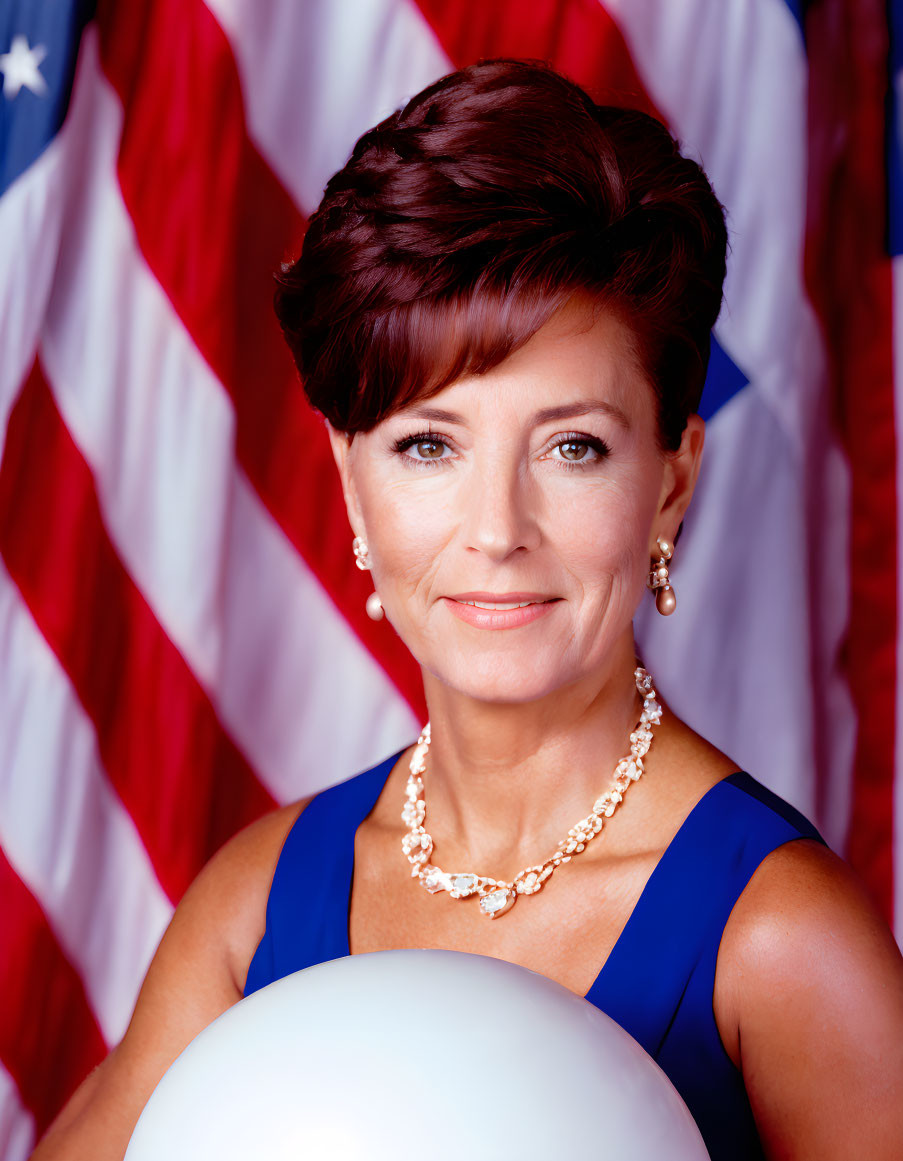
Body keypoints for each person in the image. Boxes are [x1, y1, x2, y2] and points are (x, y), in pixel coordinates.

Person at [32, 57, 903, 1161]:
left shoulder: (781, 943)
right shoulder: (259, 903)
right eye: (429, 446)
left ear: (671, 482)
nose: (497, 530)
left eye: (572, 447)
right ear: (353, 481)